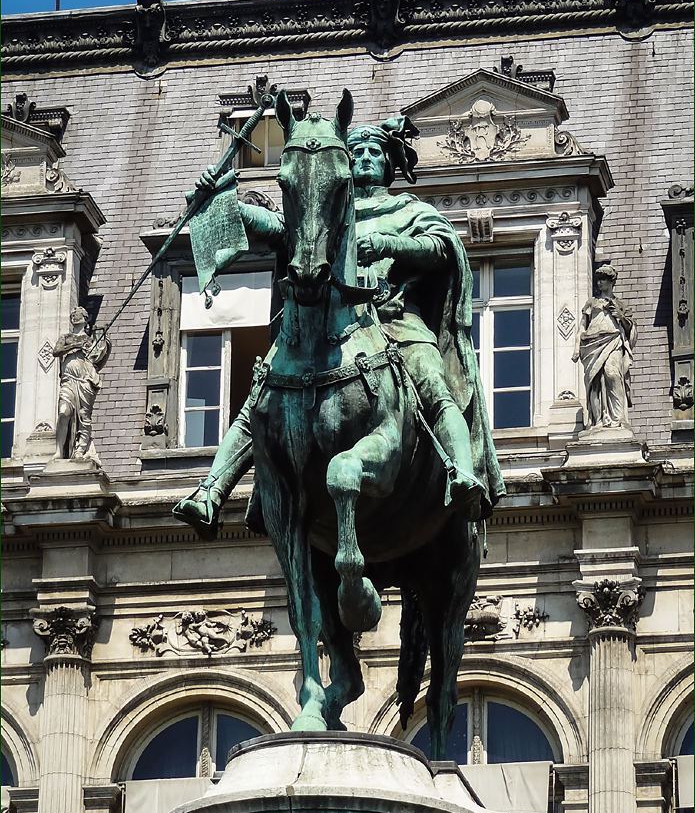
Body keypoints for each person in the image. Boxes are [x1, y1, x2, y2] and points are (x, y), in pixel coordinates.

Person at [174, 114, 504, 536]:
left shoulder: (408, 209)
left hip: (395, 322)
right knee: (259, 398)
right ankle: (211, 490)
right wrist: (221, 203)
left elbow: (442, 247)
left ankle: (461, 473)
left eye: (375, 152)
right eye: (358, 152)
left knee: (435, 387)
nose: (366, 158)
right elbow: (277, 228)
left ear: (388, 163)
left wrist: (390, 244)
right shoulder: (328, 210)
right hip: (332, 328)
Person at [572, 264, 637, 430]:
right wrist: (576, 348)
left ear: (611, 282)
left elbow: (630, 328)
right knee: (595, 382)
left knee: (612, 373)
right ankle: (598, 420)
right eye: (598, 280)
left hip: (613, 340)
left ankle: (618, 418)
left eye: (603, 280)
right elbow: (582, 326)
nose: (599, 283)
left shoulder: (620, 304)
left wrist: (619, 315)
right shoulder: (592, 302)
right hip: (591, 344)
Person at [52, 306, 111, 460]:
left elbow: (98, 361)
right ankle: (59, 451)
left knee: (84, 417)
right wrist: (75, 346)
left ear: (85, 318)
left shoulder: (91, 340)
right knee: (63, 412)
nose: (74, 315)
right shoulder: (65, 337)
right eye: (73, 313)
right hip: (68, 380)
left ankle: (80, 449)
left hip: (85, 382)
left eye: (78, 313)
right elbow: (56, 351)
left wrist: (106, 344)